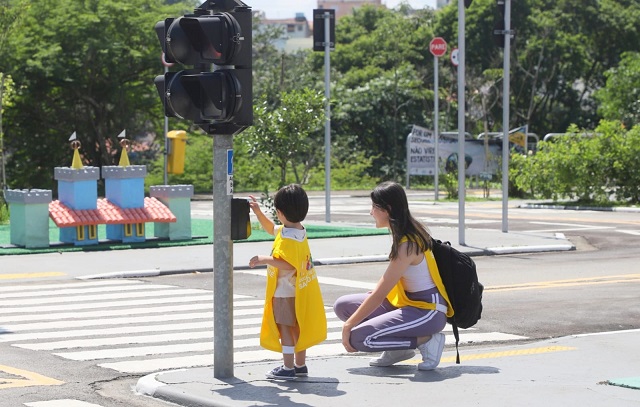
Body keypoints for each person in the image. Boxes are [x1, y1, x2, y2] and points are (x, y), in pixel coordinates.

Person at [333, 181, 454, 370]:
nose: (370, 212)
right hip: (406, 303)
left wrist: (348, 326)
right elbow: (384, 287)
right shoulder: (405, 234)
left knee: (359, 338)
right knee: (343, 306)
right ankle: (398, 349)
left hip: (427, 311)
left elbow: (379, 295)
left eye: (374, 207)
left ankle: (426, 340)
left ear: (387, 209)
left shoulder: (407, 244)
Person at [249, 184, 327, 380]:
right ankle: (300, 365)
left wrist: (263, 259)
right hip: (300, 291)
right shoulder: (298, 230)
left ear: (280, 212)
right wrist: (257, 211)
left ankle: (287, 367)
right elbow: (271, 229)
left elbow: (288, 264)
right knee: (298, 329)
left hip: (285, 293)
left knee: (285, 329)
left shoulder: (288, 238)